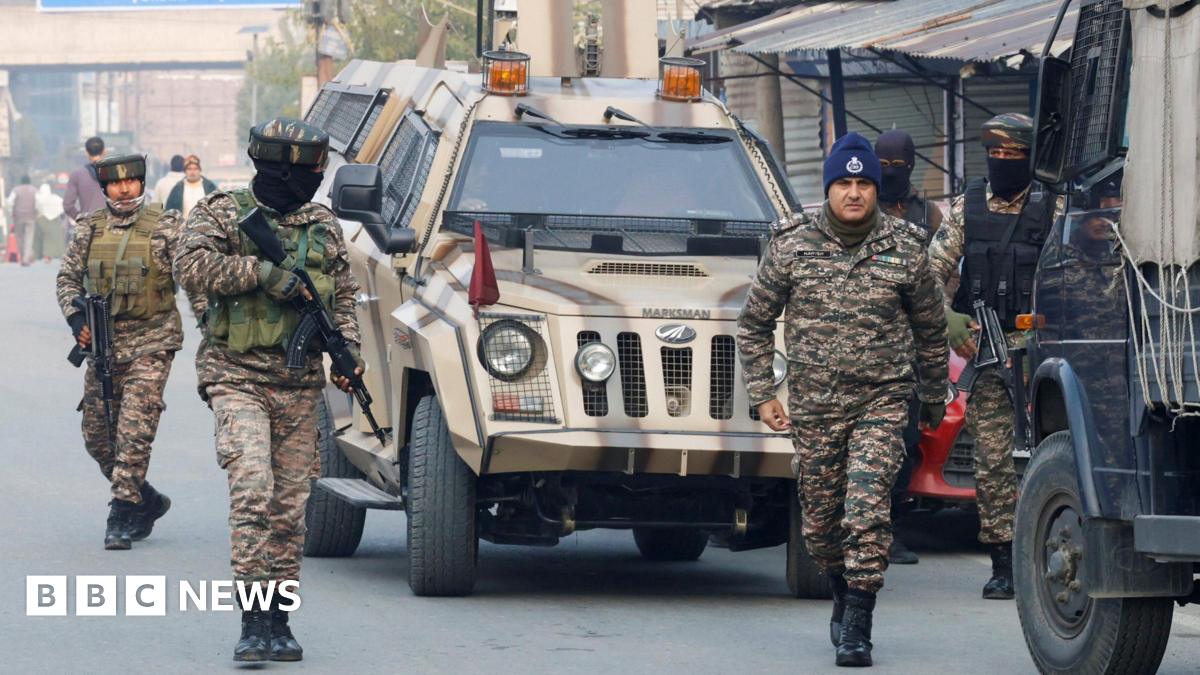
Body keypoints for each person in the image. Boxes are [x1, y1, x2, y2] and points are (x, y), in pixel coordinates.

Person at [737, 132, 949, 668]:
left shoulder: (905, 248)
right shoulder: (792, 245)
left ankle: (859, 623)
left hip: (882, 399)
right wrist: (763, 393)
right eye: (844, 183)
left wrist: (929, 399)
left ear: (877, 190)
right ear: (829, 189)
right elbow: (754, 324)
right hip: (815, 407)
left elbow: (930, 331)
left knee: (866, 507)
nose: (854, 193)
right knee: (822, 524)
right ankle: (840, 590)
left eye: (864, 184)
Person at [174, 118, 362, 663]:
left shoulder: (323, 227)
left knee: (289, 506)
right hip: (236, 375)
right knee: (252, 486)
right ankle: (252, 620)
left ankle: (279, 618)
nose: (311, 182)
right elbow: (189, 266)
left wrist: (348, 355)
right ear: (278, 168)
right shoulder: (222, 213)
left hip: (299, 383)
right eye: (305, 172)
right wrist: (261, 273)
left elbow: (343, 299)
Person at [929, 113, 1064, 600]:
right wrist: (948, 321)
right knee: (993, 460)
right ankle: (1003, 562)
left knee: (1055, 455)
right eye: (997, 156)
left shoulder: (1054, 207)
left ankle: (1053, 551)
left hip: (1047, 350)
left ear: (1031, 158)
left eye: (1015, 156)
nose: (1005, 164)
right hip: (989, 350)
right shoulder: (968, 209)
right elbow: (931, 273)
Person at [55, 154, 182, 551]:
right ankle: (146, 499)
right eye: (116, 183)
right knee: (97, 436)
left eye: (132, 181)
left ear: (142, 184)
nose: (124, 188)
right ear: (105, 187)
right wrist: (77, 320)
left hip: (152, 339)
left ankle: (122, 512)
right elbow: (67, 278)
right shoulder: (89, 228)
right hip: (105, 345)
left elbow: (193, 273)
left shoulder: (166, 226)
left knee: (133, 429)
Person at [874, 129, 951, 566]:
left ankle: (891, 530)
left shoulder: (929, 215)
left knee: (903, 443)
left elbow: (946, 273)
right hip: (870, 344)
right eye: (883, 165)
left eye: (898, 165)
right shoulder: (863, 207)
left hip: (913, 351)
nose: (891, 173)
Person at [64, 137, 107, 223]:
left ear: (87, 153)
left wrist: (80, 219)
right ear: (104, 152)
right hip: (109, 226)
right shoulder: (114, 173)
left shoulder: (77, 175)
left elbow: (67, 205)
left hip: (88, 225)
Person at [166, 154, 218, 219]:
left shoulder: (210, 188)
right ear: (185, 171)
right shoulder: (177, 189)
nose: (192, 172)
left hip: (205, 227)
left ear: (200, 170)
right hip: (183, 227)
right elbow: (168, 212)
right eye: (189, 169)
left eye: (195, 169)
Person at [7, 176, 38, 265]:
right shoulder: (34, 190)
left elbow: (9, 202)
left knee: (19, 237)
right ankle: (26, 258)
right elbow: (39, 202)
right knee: (29, 238)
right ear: (29, 181)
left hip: (18, 217)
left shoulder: (16, 190)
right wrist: (37, 212)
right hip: (31, 217)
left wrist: (11, 212)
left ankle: (23, 255)